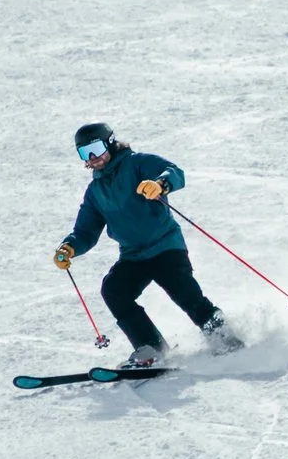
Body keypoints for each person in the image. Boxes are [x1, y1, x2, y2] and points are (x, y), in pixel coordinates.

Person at [54, 122, 240, 365]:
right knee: (114, 290)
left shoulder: (137, 163)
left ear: (109, 142)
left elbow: (174, 171)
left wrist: (160, 184)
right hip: (134, 256)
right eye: (84, 153)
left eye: (96, 149)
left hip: (165, 247)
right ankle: (152, 348)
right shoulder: (95, 191)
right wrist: (70, 247)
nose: (92, 158)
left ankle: (226, 339)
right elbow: (85, 231)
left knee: (186, 294)